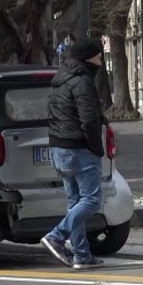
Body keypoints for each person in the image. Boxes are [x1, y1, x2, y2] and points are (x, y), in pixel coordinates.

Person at [40, 37, 106, 270]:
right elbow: (89, 119)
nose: (101, 62)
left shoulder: (60, 80)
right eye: (99, 57)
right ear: (88, 58)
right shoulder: (82, 81)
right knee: (93, 200)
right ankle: (56, 236)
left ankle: (81, 255)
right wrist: (96, 148)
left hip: (59, 148)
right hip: (79, 148)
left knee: (75, 202)